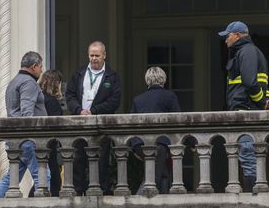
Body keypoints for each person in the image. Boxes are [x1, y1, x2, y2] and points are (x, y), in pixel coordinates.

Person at [218, 21, 269, 192]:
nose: (226, 40)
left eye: (227, 36)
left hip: (246, 111)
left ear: (237, 35)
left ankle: (252, 200)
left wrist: (263, 103)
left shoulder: (246, 51)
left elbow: (251, 83)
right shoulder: (251, 52)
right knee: (249, 157)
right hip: (248, 109)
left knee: (248, 158)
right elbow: (263, 85)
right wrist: (265, 101)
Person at [66, 41, 121, 195]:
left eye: (97, 55)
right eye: (91, 55)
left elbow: (114, 101)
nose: (94, 58)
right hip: (80, 123)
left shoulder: (112, 76)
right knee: (78, 159)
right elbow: (69, 95)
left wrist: (94, 111)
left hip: (101, 125)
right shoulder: (78, 74)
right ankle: (78, 192)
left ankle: (101, 190)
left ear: (104, 55)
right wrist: (78, 110)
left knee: (101, 160)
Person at [0, 51, 50, 197]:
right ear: (34, 66)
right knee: (43, 177)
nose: (41, 70)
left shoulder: (14, 82)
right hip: (29, 140)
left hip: (15, 139)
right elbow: (27, 115)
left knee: (11, 178)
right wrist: (33, 138)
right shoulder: (29, 83)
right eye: (40, 67)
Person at [130, 66, 180, 194]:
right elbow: (180, 122)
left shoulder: (137, 99)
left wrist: (135, 146)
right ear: (163, 79)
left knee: (163, 175)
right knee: (151, 180)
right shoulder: (169, 96)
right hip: (160, 144)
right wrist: (190, 143)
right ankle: (136, 204)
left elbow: (131, 126)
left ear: (147, 80)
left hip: (141, 145)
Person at [39, 69, 64, 196]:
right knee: (52, 179)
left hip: (40, 144)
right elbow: (57, 124)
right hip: (50, 145)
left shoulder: (39, 98)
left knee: (44, 177)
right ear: (56, 83)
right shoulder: (52, 101)